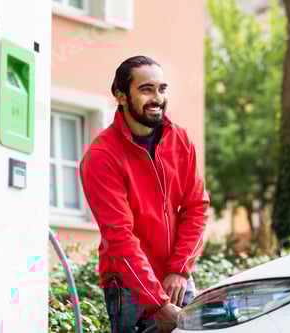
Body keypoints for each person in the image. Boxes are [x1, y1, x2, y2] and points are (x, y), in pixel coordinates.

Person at [80, 55, 210, 333]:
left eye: (162, 89)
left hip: (178, 279)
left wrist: (179, 269)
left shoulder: (180, 139)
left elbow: (196, 207)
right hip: (130, 288)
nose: (157, 98)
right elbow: (119, 237)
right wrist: (157, 302)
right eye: (146, 89)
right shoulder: (102, 157)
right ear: (121, 96)